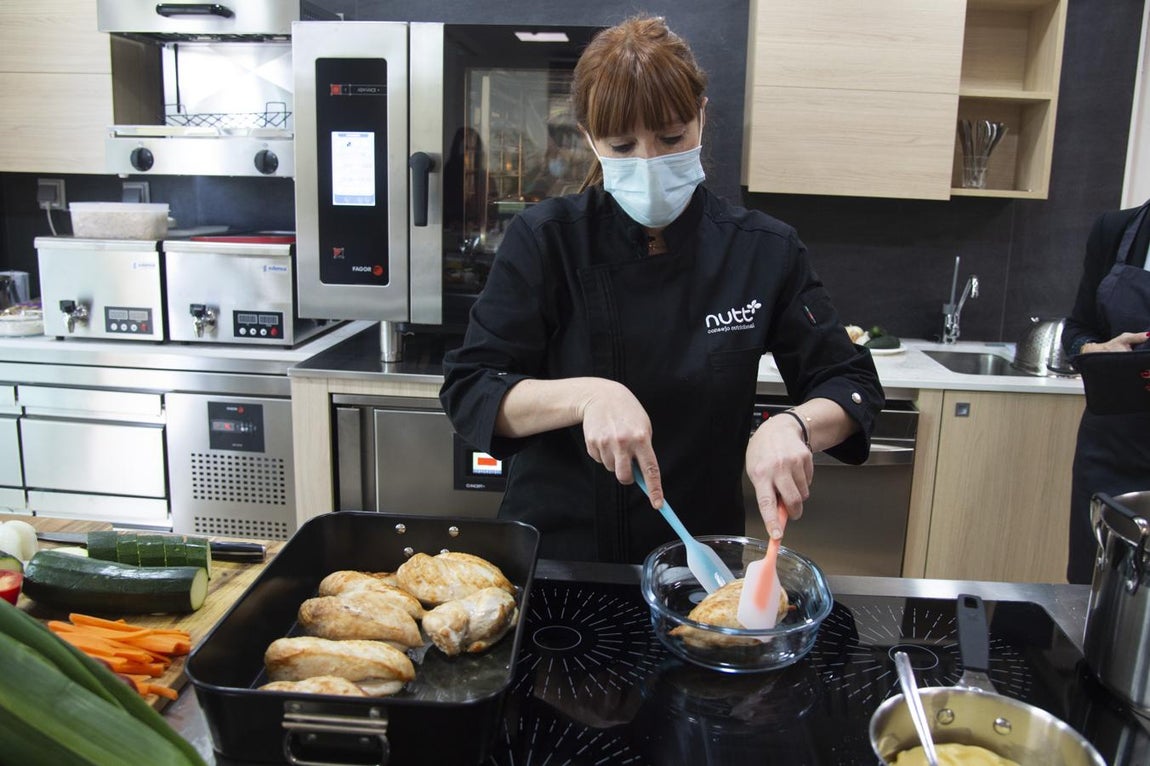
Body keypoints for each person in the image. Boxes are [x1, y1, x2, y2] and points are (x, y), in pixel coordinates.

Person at [439, 15, 884, 563]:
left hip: (700, 556)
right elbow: (472, 388)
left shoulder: (763, 250)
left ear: (701, 117)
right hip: (558, 556)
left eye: (671, 138)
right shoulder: (545, 240)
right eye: (622, 146)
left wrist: (795, 426)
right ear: (590, 139)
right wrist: (587, 396)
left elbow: (849, 381)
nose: (648, 164)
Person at [1062, 198, 1150, 584]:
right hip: (1110, 453)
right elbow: (1077, 329)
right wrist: (1092, 350)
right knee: (1096, 588)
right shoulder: (1116, 230)